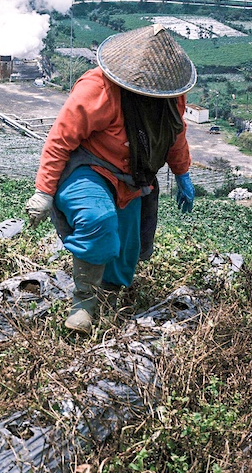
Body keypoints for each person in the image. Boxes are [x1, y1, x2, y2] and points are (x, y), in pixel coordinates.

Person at [25, 25, 196, 333]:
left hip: (131, 176)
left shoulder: (171, 98)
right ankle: (84, 302)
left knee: (125, 248)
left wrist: (182, 172)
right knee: (98, 220)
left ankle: (109, 297)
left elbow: (175, 135)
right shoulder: (98, 90)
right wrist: (44, 191)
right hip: (88, 168)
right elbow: (60, 140)